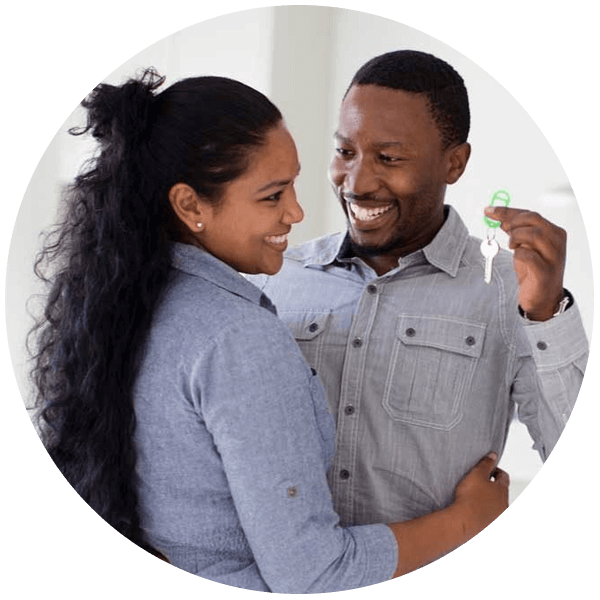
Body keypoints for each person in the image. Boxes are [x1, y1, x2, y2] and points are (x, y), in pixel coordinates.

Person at [30, 68, 508, 593]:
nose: (297, 212)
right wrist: (466, 521)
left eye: (295, 184)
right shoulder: (238, 335)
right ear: (190, 205)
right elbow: (315, 572)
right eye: (272, 195)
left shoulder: (121, 304)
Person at [250, 50, 588, 527]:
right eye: (346, 152)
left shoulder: (512, 290)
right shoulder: (275, 278)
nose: (357, 182)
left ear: (455, 163)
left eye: (389, 158)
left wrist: (547, 314)